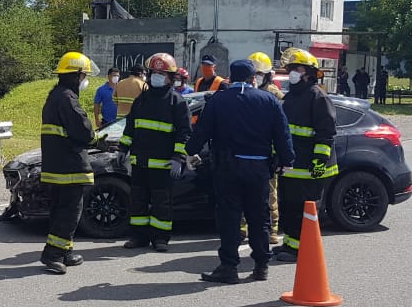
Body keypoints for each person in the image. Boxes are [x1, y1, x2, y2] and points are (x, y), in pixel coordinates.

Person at [186, 59, 295, 284]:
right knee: (259, 217)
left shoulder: (219, 100)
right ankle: (261, 266)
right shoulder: (268, 100)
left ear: (230, 78)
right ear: (253, 78)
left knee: (229, 217)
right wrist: (287, 159)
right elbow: (282, 133)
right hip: (259, 168)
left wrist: (190, 151)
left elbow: (202, 130)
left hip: (228, 167)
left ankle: (229, 267)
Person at [118, 53, 191, 253]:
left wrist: (178, 158)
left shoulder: (177, 102)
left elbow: (184, 134)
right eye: (154, 73)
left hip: (163, 164)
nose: (157, 76)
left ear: (170, 77)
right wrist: (123, 148)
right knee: (138, 201)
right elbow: (131, 127)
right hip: (140, 161)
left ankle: (160, 239)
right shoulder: (142, 99)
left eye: (161, 73)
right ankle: (138, 237)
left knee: (162, 203)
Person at [271, 47, 337, 264]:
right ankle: (290, 244)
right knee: (290, 207)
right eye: (289, 69)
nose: (292, 73)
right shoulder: (291, 98)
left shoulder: (318, 97)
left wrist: (319, 161)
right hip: (292, 167)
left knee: (304, 211)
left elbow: (326, 133)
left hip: (311, 169)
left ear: (308, 72)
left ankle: (302, 249)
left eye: (295, 68)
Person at [39, 51, 98, 274]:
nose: (85, 80)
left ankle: (66, 251)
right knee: (69, 212)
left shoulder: (56, 95)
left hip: (57, 165)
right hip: (70, 166)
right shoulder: (67, 99)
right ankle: (52, 255)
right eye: (84, 76)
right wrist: (97, 140)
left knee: (62, 210)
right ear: (76, 75)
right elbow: (83, 130)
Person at [251, 51, 286, 248]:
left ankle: (272, 230)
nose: (256, 77)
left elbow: (281, 127)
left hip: (269, 154)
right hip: (252, 152)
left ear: (267, 76)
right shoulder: (246, 92)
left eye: (260, 74)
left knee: (270, 194)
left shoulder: (275, 95)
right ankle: (243, 229)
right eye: (254, 74)